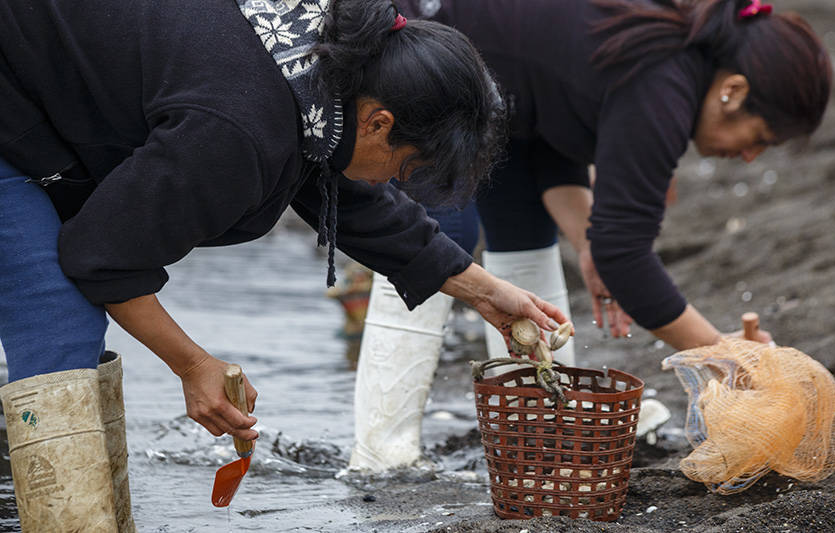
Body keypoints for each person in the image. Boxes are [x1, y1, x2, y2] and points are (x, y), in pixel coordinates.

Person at [0, 0, 571, 530]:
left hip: (50, 86)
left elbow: (346, 191)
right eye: (405, 167)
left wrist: (485, 293)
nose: (397, 183)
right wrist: (192, 363)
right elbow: (100, 257)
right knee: (59, 322)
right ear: (378, 123)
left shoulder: (317, 75)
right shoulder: (238, 126)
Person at [350, 0, 831, 471]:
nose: (751, 157)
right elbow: (626, 257)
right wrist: (722, 356)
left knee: (524, 233)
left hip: (510, 107)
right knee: (447, 228)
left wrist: (587, 241)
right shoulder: (662, 85)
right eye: (761, 137)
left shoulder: (667, 63)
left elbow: (550, 133)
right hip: (428, 52)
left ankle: (531, 435)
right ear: (733, 90)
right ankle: (381, 452)